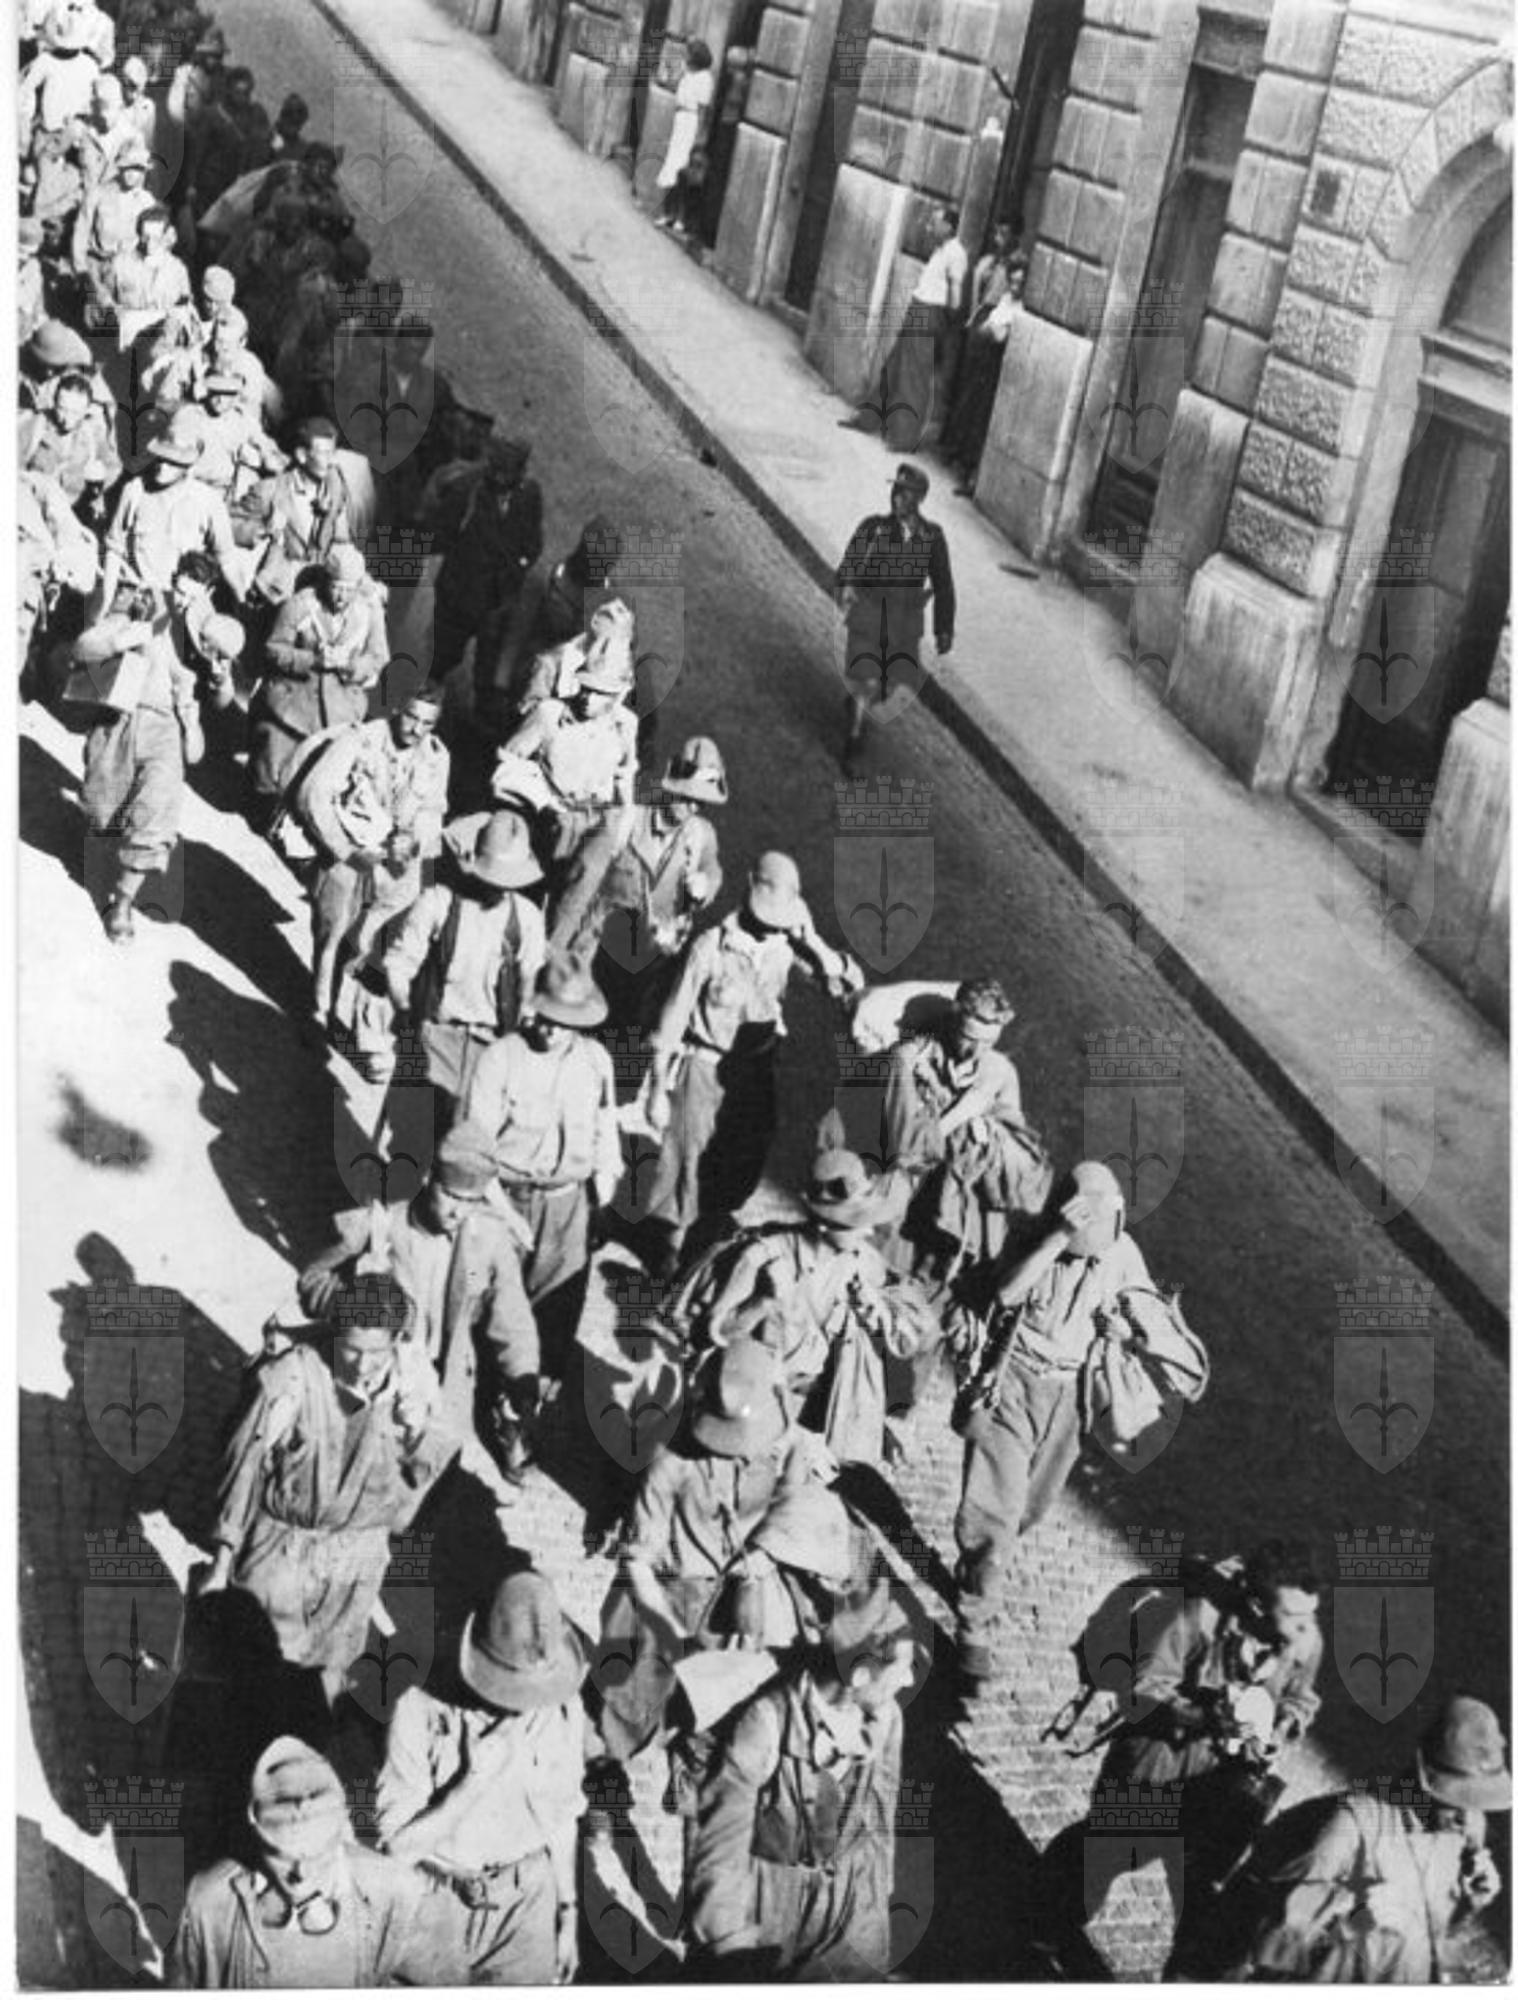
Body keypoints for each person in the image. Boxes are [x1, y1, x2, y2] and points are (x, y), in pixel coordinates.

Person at [1036, 1540, 1325, 1976]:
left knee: (1202, 1876)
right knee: (1115, 1844)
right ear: (1256, 1607)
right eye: (1295, 1616)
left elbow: (1301, 1698)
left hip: (1228, 1773)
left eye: (1311, 1615)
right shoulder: (1193, 1617)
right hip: (1162, 1752)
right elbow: (1141, 1691)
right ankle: (1047, 1916)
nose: (1306, 1628)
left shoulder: (1305, 1639)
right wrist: (1203, 1714)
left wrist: (1285, 1723)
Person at [198, 1272, 456, 1702]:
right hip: (282, 1549)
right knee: (258, 1670)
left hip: (357, 1557)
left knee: (329, 1678)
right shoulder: (291, 1377)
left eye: (375, 1353)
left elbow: (425, 1474)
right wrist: (221, 1561)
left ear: (396, 1341)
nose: (361, 1365)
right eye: (351, 1348)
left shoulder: (414, 1384)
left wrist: (417, 1436)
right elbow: (244, 1464)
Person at [603, 1338, 857, 1764]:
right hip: (681, 1596)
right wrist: (673, 1634)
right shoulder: (670, 1462)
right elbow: (638, 1563)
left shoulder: (783, 1437)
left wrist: (765, 1553)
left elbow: (792, 1495)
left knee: (760, 1695)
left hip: (752, 1584)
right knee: (649, 1704)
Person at [950, 1161, 1153, 1684]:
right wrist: (1057, 1239)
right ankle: (976, 1622)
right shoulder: (1030, 1235)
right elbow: (1006, 1293)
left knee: (1029, 1508)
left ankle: (978, 1565)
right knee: (996, 1512)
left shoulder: (1124, 1254)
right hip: (1013, 1383)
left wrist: (1125, 1332)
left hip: (1070, 1399)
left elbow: (1150, 1324)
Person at [639, 853, 863, 1277]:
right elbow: (670, 1021)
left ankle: (706, 1234)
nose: (772, 927)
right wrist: (656, 1092)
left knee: (743, 1159)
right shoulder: (710, 946)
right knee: (689, 1160)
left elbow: (847, 986)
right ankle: (670, 1250)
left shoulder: (785, 946)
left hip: (755, 1072)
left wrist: (812, 940)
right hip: (705, 1069)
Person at [672, 1132, 936, 1471]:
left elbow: (910, 1330)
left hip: (814, 1401)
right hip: (752, 1405)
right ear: (824, 1225)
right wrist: (763, 1303)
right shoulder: (765, 1257)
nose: (869, 1232)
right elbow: (712, 1335)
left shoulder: (861, 1261)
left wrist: (878, 1311)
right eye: (856, 1223)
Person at [375, 1568, 588, 1985]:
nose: (528, 1703)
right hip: (434, 1902)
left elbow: (561, 1817)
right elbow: (397, 1849)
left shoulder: (562, 1704)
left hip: (525, 1904)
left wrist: (568, 1913)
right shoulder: (420, 1708)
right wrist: (472, 1783)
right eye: (512, 1686)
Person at [298, 1123, 539, 1479]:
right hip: (380, 1378)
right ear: (428, 1179)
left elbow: (513, 1316)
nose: (459, 1212)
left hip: (448, 1382)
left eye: (472, 1201)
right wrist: (355, 1306)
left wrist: (524, 1378)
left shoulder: (489, 1238)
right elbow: (311, 1283)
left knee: (433, 1478)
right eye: (452, 1196)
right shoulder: (379, 1226)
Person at [686, 1618, 916, 1978]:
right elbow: (724, 1831)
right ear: (858, 1677)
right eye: (899, 1669)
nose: (908, 1680)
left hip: (851, 1903)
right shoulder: (767, 1720)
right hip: (772, 1903)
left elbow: (883, 1801)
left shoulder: (887, 1717)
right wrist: (727, 1935)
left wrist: (879, 1890)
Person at [1222, 1695, 1510, 1983]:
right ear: (1424, 1783)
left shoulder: (1461, 1830)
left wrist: (1468, 1902)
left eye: (1477, 1801)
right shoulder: (1349, 1827)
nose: (1468, 1818)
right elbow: (1278, 1941)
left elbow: (1431, 1935)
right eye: (1456, 1800)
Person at [168, 1737, 462, 1988]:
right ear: (254, 1828)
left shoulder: (396, 1892)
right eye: (282, 1858)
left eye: (317, 1857)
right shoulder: (210, 1900)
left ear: (341, 1829)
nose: (301, 1876)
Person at [460, 957, 622, 1392]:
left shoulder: (596, 1062)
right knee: (496, 1304)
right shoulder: (501, 1058)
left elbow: (606, 1133)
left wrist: (602, 1198)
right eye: (547, 1018)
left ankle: (533, 1402)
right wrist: (506, 1216)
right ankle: (486, 1390)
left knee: (558, 1310)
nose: (552, 1030)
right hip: (504, 1199)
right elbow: (476, 1149)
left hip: (568, 1206)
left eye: (564, 1022)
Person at [881, 975, 1051, 1299]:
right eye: (969, 1038)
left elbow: (1016, 1143)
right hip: (912, 1173)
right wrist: (951, 1109)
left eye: (989, 1042)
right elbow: (902, 1135)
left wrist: (984, 1127)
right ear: (953, 1020)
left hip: (962, 1189)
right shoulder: (917, 1055)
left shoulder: (1000, 1071)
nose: (977, 1050)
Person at [380, 809, 548, 1122]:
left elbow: (529, 989)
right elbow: (399, 963)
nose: (500, 886)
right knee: (411, 1133)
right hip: (436, 1036)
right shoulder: (439, 902)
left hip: (491, 1050)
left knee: (463, 1143)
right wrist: (405, 1008)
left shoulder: (527, 920)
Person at [548, 733, 727, 1027]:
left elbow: (713, 866)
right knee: (581, 1027)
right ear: (670, 785)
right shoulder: (624, 821)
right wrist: (554, 954)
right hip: (598, 956)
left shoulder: (701, 834)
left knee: (627, 1041)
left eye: (701, 803)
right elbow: (579, 892)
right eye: (688, 798)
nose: (693, 809)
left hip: (650, 968)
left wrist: (705, 883)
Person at [299, 685, 450, 1027]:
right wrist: (346, 851)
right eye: (411, 717)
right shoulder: (360, 740)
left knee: (369, 941)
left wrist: (413, 840)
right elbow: (314, 796)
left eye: (427, 723)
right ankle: (319, 1010)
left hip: (394, 864)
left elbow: (434, 811)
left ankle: (348, 1009)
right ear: (397, 709)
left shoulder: (436, 757)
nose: (416, 729)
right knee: (332, 933)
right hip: (346, 852)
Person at [69, 606, 203, 943]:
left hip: (165, 729)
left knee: (155, 814)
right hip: (119, 720)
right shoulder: (130, 616)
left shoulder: (198, 625)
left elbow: (206, 689)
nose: (182, 596)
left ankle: (123, 902)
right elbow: (82, 648)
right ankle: (108, 847)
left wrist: (212, 683)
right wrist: (125, 638)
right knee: (102, 811)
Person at [836, 463, 955, 767]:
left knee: (891, 686)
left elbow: (943, 584)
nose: (897, 497)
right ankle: (853, 740)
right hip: (870, 613)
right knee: (868, 678)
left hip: (903, 623)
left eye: (906, 493)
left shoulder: (932, 537)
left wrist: (944, 628)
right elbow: (851, 560)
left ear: (920, 499)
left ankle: (858, 703)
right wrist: (847, 585)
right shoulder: (874, 527)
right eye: (896, 490)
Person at [250, 542, 387, 806]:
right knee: (272, 767)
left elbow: (378, 656)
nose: (341, 597)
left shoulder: (369, 611)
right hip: (294, 701)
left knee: (321, 776)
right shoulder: (301, 604)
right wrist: (312, 659)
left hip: (341, 705)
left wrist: (353, 666)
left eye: (349, 589)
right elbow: (273, 649)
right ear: (325, 582)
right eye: (336, 587)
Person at [493, 631, 640, 868]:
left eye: (602, 693)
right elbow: (506, 769)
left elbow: (625, 785)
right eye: (586, 687)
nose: (588, 698)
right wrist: (544, 804)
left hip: (591, 832)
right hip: (544, 825)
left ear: (622, 693)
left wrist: (618, 835)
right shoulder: (549, 713)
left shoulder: (625, 725)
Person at [424, 435, 544, 708]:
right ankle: (428, 698)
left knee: (489, 662)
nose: (500, 478)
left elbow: (534, 542)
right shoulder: (467, 490)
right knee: (443, 655)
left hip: (499, 599)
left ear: (520, 471)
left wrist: (519, 567)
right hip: (460, 594)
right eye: (497, 470)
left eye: (508, 473)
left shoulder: (529, 494)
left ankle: (480, 712)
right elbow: (441, 534)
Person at [840, 203, 966, 451]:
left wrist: (942, 323)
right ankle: (868, 419)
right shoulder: (941, 250)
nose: (930, 227)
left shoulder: (956, 253)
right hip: (919, 308)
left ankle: (904, 437)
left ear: (949, 226)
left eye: (935, 222)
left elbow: (956, 298)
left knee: (914, 376)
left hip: (930, 313)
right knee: (895, 366)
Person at [97, 404, 238, 610]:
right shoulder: (135, 491)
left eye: (173, 462)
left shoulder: (208, 501)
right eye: (160, 458)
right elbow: (114, 549)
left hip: (181, 602)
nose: (163, 467)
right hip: (137, 594)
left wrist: (240, 602)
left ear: (189, 465)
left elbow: (226, 560)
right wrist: (105, 602)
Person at [942, 237, 1026, 498]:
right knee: (972, 413)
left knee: (984, 421)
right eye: (1011, 281)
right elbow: (986, 328)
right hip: (985, 365)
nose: (1014, 286)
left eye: (1019, 283)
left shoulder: (1021, 308)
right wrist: (991, 329)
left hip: (997, 371)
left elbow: (1000, 335)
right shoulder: (1006, 299)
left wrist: (992, 329)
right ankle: (965, 468)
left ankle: (973, 479)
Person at [17, 367, 121, 502]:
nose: (67, 419)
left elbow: (114, 466)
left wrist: (101, 476)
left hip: (75, 507)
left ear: (87, 410)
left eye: (75, 412)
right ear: (54, 403)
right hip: (36, 504)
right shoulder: (36, 426)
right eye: (62, 409)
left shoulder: (92, 433)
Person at [654, 39, 714, 239]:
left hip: (691, 122)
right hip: (680, 121)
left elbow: (703, 110)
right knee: (671, 167)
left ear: (696, 56)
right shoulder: (687, 73)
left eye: (688, 53)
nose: (685, 55)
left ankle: (681, 217)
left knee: (685, 172)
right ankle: (667, 214)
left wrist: (700, 136)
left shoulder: (705, 78)